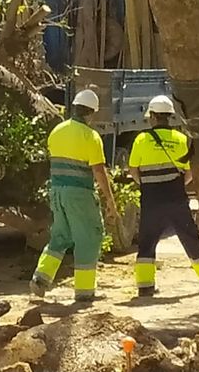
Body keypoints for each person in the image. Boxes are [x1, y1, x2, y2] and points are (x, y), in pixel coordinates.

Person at [31, 89, 120, 304]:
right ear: (92, 113)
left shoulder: (57, 131)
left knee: (61, 236)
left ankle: (41, 279)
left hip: (57, 192)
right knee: (89, 237)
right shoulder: (90, 137)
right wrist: (110, 200)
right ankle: (84, 291)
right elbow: (99, 171)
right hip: (79, 194)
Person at [128, 95, 199, 297]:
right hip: (176, 199)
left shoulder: (141, 140)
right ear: (170, 117)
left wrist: (148, 185)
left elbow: (133, 171)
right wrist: (177, 185)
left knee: (147, 242)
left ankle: (145, 287)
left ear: (153, 117)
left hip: (151, 200)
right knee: (191, 239)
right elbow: (190, 172)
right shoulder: (181, 139)